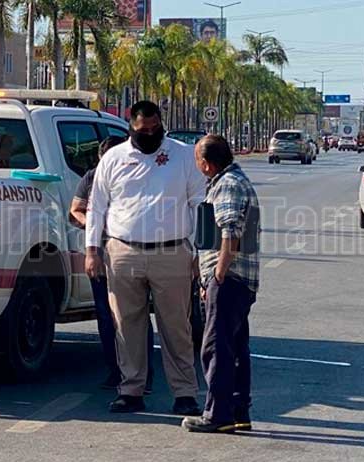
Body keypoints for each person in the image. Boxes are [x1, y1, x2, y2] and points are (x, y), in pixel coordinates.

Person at [85, 100, 204, 415]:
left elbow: (199, 203)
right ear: (131, 127)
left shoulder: (182, 155)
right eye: (143, 130)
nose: (149, 134)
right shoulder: (113, 158)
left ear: (161, 124)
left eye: (155, 128)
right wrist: (92, 250)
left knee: (176, 327)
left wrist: (200, 252)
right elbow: (96, 207)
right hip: (123, 252)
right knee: (127, 325)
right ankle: (131, 390)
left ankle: (185, 393)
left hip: (172, 252)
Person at [183, 135, 261, 433]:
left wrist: (218, 272)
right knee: (234, 347)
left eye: (197, 160)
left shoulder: (228, 184)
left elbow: (231, 230)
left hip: (229, 280)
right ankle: (238, 411)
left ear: (207, 163)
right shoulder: (229, 181)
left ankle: (218, 415)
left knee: (216, 347)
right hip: (236, 280)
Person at [70, 137, 155, 392]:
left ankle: (143, 375)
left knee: (135, 314)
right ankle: (115, 371)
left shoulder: (139, 175)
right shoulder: (91, 178)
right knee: (106, 316)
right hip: (100, 254)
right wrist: (92, 225)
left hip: (131, 254)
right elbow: (75, 210)